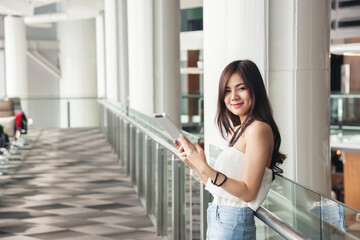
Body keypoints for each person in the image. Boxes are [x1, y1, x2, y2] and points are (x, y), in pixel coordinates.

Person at [174, 60, 286, 239]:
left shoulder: (258, 129)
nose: (233, 96)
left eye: (241, 88)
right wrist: (193, 163)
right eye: (227, 90)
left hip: (234, 221)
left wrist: (205, 168)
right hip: (218, 215)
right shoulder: (234, 131)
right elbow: (219, 187)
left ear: (254, 89)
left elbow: (249, 192)